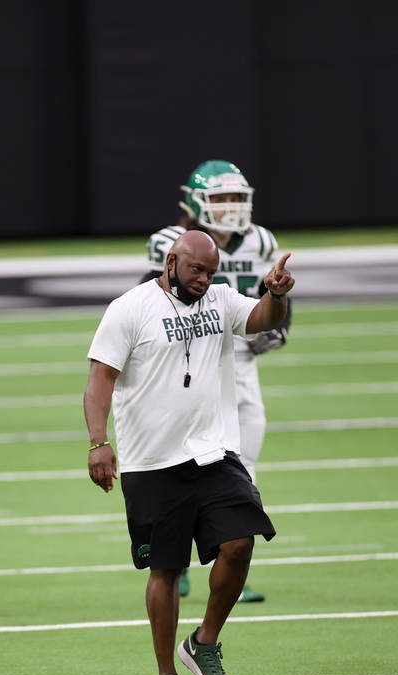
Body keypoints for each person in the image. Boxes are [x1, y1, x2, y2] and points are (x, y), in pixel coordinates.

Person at [84, 230, 294, 675]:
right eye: (196, 269)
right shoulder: (129, 308)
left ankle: (204, 641)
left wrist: (276, 295)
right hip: (152, 460)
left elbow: (261, 319)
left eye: (211, 272)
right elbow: (100, 377)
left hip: (213, 450)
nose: (204, 279)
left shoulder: (221, 299)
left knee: (241, 542)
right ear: (171, 261)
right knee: (166, 568)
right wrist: (98, 442)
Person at [141, 160, 288, 604]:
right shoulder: (170, 242)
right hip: (189, 361)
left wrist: (279, 322)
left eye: (236, 198)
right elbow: (148, 296)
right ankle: (176, 561)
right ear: (196, 202)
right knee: (183, 463)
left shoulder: (261, 241)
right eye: (220, 198)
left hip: (240, 362)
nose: (230, 207)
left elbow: (274, 289)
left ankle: (231, 561)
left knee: (243, 464)